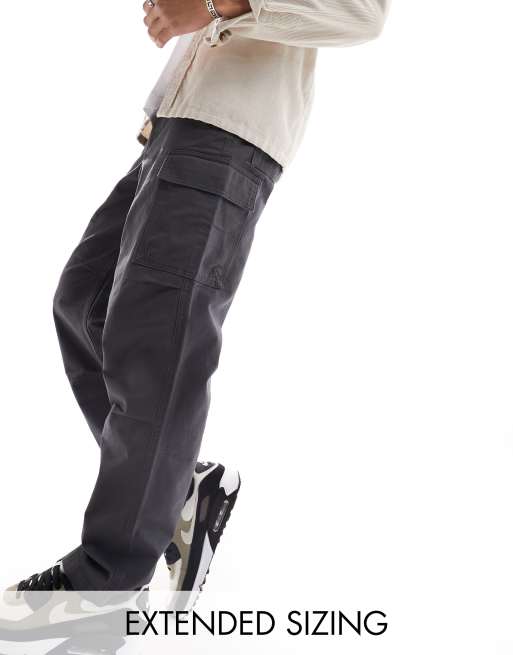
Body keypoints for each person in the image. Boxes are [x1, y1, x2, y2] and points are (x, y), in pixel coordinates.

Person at [10, 0, 390, 593]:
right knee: (84, 303)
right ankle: (182, 489)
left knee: (156, 346)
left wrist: (214, 4)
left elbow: (363, 12)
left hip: (228, 135)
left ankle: (104, 590)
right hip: (174, 128)